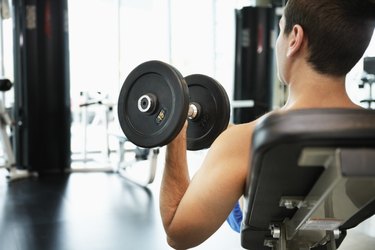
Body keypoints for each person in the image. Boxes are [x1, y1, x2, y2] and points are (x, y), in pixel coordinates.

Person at [159, 0, 375, 249]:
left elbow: (178, 233)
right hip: (329, 226)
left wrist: (176, 130)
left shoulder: (245, 143)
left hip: (251, 209)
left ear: (294, 38)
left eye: (280, 28)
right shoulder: (369, 135)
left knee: (232, 156)